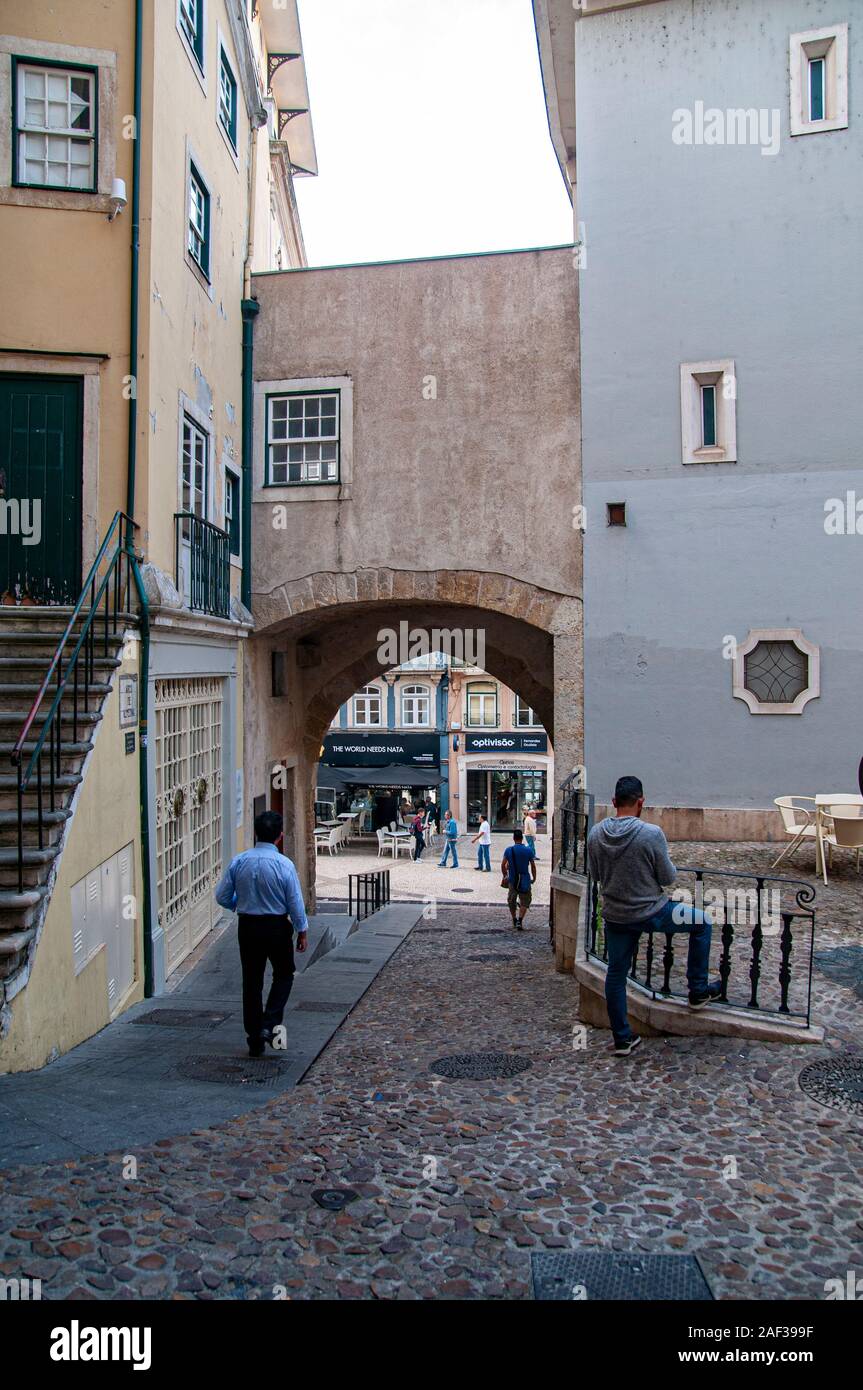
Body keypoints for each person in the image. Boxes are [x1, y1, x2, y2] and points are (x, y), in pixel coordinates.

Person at [587, 775, 720, 1059]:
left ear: (613, 803)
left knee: (616, 974)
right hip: (652, 911)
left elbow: (595, 875)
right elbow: (668, 877)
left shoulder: (596, 833)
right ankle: (697, 991)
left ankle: (622, 1039)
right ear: (641, 802)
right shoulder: (651, 833)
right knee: (702, 922)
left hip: (616, 915)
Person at [215, 810, 308, 1058]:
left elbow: (222, 896)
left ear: (256, 833)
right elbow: (295, 901)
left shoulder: (239, 861)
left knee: (252, 982)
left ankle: (254, 1037)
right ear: (279, 836)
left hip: (248, 927)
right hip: (276, 927)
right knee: (284, 974)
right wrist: (302, 930)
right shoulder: (284, 865)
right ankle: (269, 1023)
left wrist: (240, 904)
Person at [501, 828, 536, 929]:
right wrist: (534, 877)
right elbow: (533, 866)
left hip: (512, 879)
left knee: (511, 900)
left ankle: (514, 919)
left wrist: (505, 875)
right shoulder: (528, 850)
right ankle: (520, 920)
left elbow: (503, 864)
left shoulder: (509, 850)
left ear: (513, 838)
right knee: (525, 900)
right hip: (525, 878)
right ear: (522, 838)